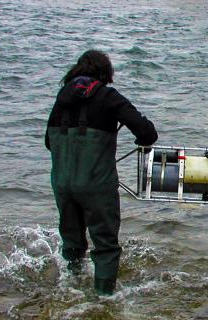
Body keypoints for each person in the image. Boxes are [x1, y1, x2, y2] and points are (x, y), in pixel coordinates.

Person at [45, 50, 158, 295]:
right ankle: (104, 300)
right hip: (96, 185)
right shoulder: (108, 96)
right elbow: (147, 133)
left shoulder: (62, 97)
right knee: (105, 245)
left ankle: (70, 287)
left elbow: (47, 141)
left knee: (72, 241)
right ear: (106, 74)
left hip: (62, 184)